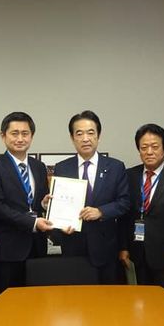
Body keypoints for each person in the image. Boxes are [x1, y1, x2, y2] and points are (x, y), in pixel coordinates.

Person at [53, 110, 130, 283]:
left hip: (105, 248)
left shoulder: (115, 167)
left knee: (106, 301)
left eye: (90, 133)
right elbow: (58, 205)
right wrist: (60, 223)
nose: (85, 138)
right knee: (75, 301)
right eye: (79, 133)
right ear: (72, 138)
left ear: (98, 136)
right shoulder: (62, 168)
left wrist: (101, 212)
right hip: (72, 245)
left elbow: (124, 202)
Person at [118, 124, 164, 297]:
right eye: (144, 147)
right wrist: (123, 247)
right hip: (136, 255)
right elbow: (123, 216)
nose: (149, 152)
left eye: (155, 146)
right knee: (138, 304)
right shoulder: (129, 175)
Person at [0, 112, 52, 293]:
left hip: (37, 246)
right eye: (15, 133)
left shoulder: (38, 167)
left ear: (32, 136)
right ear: (3, 135)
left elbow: (38, 203)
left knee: (38, 300)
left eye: (25, 133)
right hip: (9, 250)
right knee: (10, 303)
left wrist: (45, 205)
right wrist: (33, 222)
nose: (20, 138)